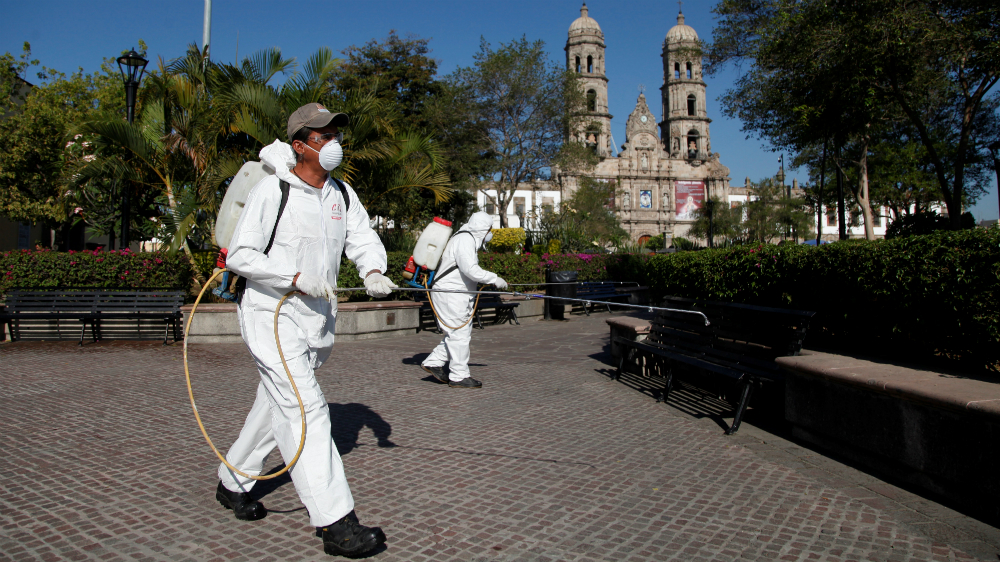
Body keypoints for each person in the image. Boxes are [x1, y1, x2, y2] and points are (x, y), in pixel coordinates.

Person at [216, 103, 396, 558]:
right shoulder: (273, 190)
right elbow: (240, 255)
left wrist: (374, 270)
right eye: (323, 136)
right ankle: (335, 522)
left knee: (275, 405)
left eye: (336, 133)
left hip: (317, 322)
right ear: (299, 146)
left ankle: (232, 481)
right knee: (307, 409)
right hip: (270, 314)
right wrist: (292, 277)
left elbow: (363, 238)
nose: (333, 142)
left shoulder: (342, 195)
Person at [420, 212, 507, 388]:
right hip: (450, 293)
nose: (490, 234)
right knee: (459, 334)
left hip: (455, 294)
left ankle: (434, 362)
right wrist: (493, 278)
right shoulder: (465, 240)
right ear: (482, 229)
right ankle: (459, 376)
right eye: (489, 230)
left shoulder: (465, 238)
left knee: (458, 333)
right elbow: (470, 269)